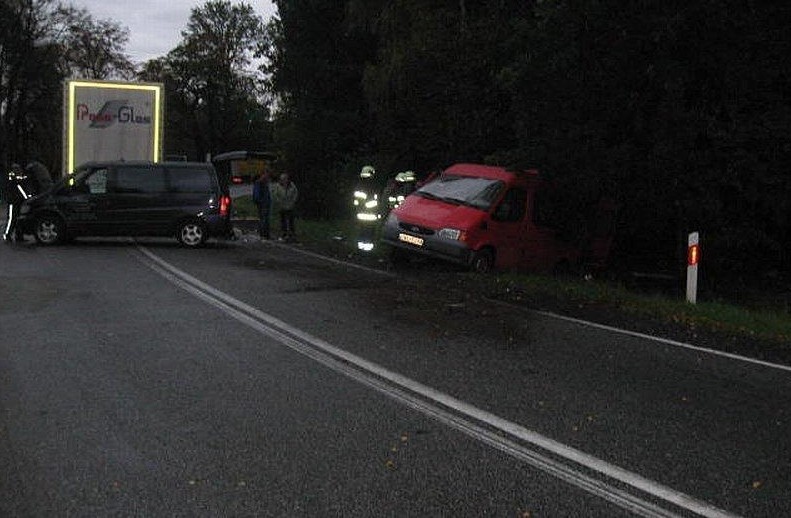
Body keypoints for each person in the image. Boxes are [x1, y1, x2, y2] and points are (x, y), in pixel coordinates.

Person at [353, 165, 380, 251]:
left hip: (360, 214)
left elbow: (357, 201)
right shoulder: (371, 185)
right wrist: (377, 210)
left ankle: (360, 247)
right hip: (370, 215)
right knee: (368, 231)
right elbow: (372, 202)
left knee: (362, 231)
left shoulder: (359, 184)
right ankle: (367, 249)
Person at [3, 164, 29, 243]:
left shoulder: (16, 177)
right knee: (12, 219)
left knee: (18, 219)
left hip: (17, 200)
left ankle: (19, 236)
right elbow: (19, 187)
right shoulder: (12, 177)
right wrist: (27, 197)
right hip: (13, 201)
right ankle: (7, 235)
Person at [271, 173, 298, 241]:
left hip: (290, 205)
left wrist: (293, 201)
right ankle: (284, 233)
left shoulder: (292, 185)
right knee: (283, 220)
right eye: (282, 179)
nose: (283, 180)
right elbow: (275, 194)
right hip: (282, 206)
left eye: (285, 179)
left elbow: (295, 193)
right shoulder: (278, 186)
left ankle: (292, 234)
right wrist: (278, 201)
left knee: (291, 220)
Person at [251, 170, 272, 240]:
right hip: (262, 203)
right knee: (264, 219)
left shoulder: (264, 183)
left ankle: (265, 233)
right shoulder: (259, 183)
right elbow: (257, 195)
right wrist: (260, 201)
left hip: (265, 203)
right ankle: (263, 233)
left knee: (265, 218)